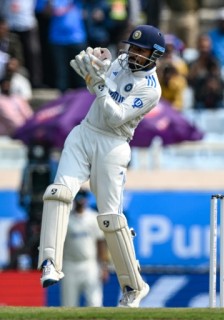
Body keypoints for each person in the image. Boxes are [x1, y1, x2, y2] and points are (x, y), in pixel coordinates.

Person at [37, 24, 166, 308]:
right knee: (58, 192)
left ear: (154, 55)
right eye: (132, 47)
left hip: (113, 144)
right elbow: (98, 80)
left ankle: (134, 286)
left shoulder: (150, 90)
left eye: (141, 50)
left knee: (109, 218)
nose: (133, 53)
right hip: (84, 133)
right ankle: (50, 262)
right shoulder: (121, 61)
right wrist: (97, 63)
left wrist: (97, 84)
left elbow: (115, 116)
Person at [62, 189, 109, 307]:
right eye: (78, 197)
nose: (81, 200)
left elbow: (100, 242)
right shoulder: (65, 218)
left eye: (83, 197)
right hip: (69, 265)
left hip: (90, 264)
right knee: (69, 304)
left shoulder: (93, 218)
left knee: (95, 303)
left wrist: (104, 266)